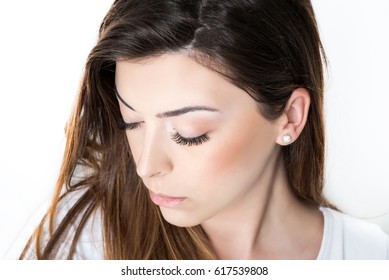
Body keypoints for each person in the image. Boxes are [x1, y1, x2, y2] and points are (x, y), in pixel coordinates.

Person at [20, 0, 389, 260]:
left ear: (289, 117)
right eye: (130, 122)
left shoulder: (368, 258)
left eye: (189, 132)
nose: (146, 166)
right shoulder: (84, 237)